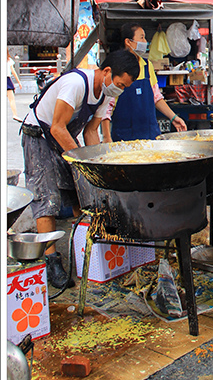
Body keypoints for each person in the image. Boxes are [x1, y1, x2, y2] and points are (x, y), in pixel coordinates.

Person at [20, 49, 140, 289]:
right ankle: (51, 260)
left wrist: (97, 167)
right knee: (48, 200)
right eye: (120, 84)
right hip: (39, 137)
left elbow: (91, 132)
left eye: (125, 87)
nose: (120, 90)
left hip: (63, 139)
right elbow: (56, 127)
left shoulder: (105, 94)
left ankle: (88, 246)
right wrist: (80, 162)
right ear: (107, 72)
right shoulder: (75, 84)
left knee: (82, 192)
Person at [101, 23, 187, 142]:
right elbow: (106, 108)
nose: (145, 41)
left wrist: (173, 117)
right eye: (141, 37)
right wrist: (106, 137)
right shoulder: (117, 67)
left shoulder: (147, 65)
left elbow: (156, 97)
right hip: (124, 138)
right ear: (128, 42)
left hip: (150, 135)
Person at [7, 49, 23, 121]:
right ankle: (15, 115)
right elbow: (13, 72)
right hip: (7, 80)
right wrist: (19, 82)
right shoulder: (8, 60)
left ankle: (15, 115)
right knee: (11, 99)